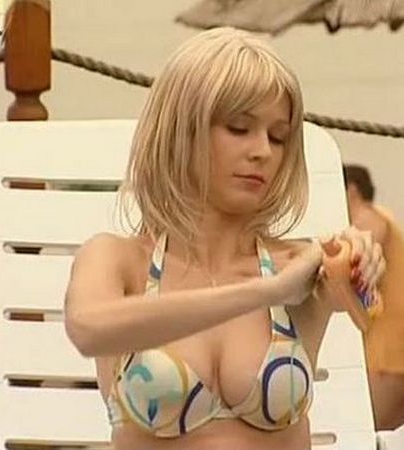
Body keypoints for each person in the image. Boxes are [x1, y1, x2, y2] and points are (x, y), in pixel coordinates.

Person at [64, 27, 385, 450]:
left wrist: (361, 262)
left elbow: (366, 310)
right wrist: (267, 291)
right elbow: (88, 330)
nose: (262, 151)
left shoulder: (300, 265)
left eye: (278, 137)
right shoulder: (119, 259)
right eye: (238, 127)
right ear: (181, 130)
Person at [343, 164, 404, 430]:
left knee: (368, 432)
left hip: (391, 351)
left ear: (351, 191)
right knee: (391, 435)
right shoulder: (384, 216)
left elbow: (353, 267)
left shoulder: (367, 220)